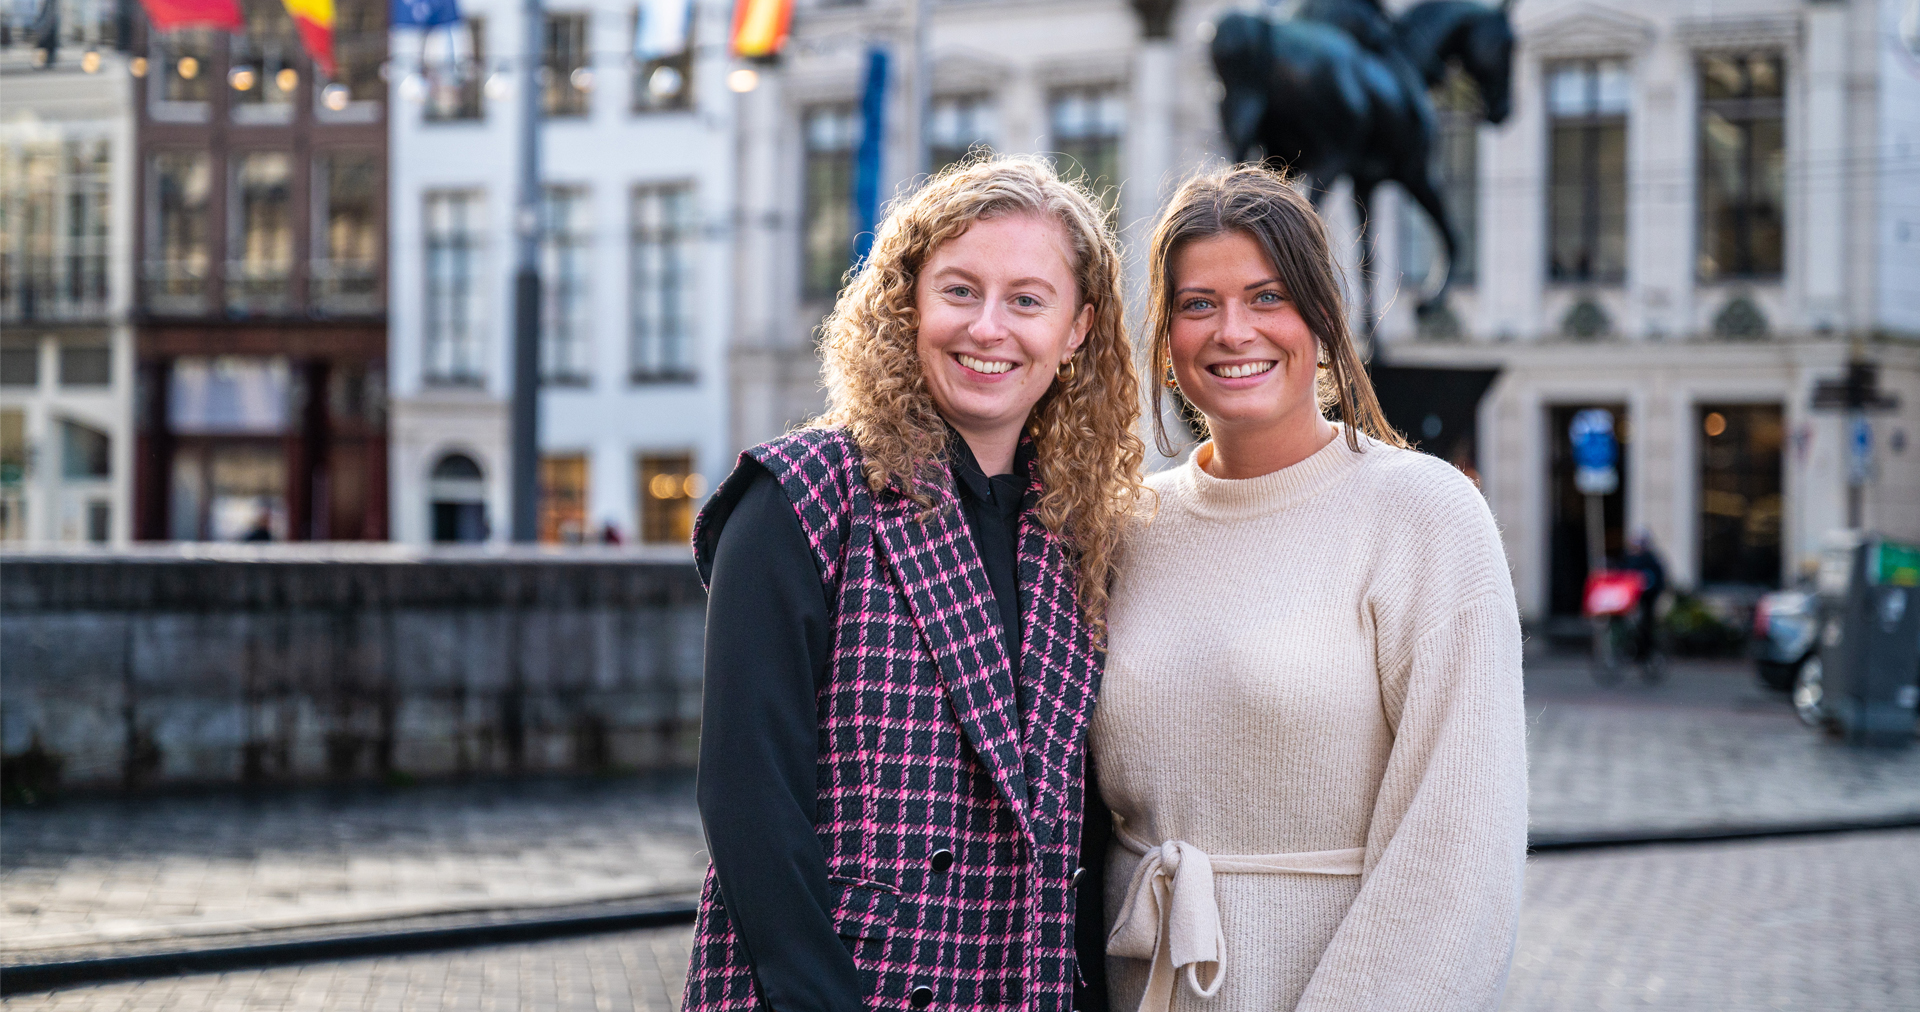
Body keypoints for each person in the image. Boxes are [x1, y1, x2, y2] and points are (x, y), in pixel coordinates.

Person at [685, 157, 1144, 1012]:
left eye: (1027, 300)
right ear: (908, 303)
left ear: (1077, 330)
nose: (989, 328)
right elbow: (747, 798)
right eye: (960, 291)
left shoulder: (1081, 533)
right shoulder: (802, 496)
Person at [1088, 165, 1527, 1012]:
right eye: (1198, 304)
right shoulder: (1127, 526)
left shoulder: (1425, 513)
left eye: (1267, 297)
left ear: (1323, 321)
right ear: (1166, 339)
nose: (1232, 331)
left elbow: (1460, 848)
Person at [1619, 529, 1667, 663]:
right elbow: (1622, 573)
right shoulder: (1630, 559)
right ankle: (1630, 648)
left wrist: (1649, 587)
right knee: (1629, 621)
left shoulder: (1651, 560)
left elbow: (1658, 580)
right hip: (1631, 597)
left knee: (1646, 623)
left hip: (1647, 597)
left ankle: (1646, 651)